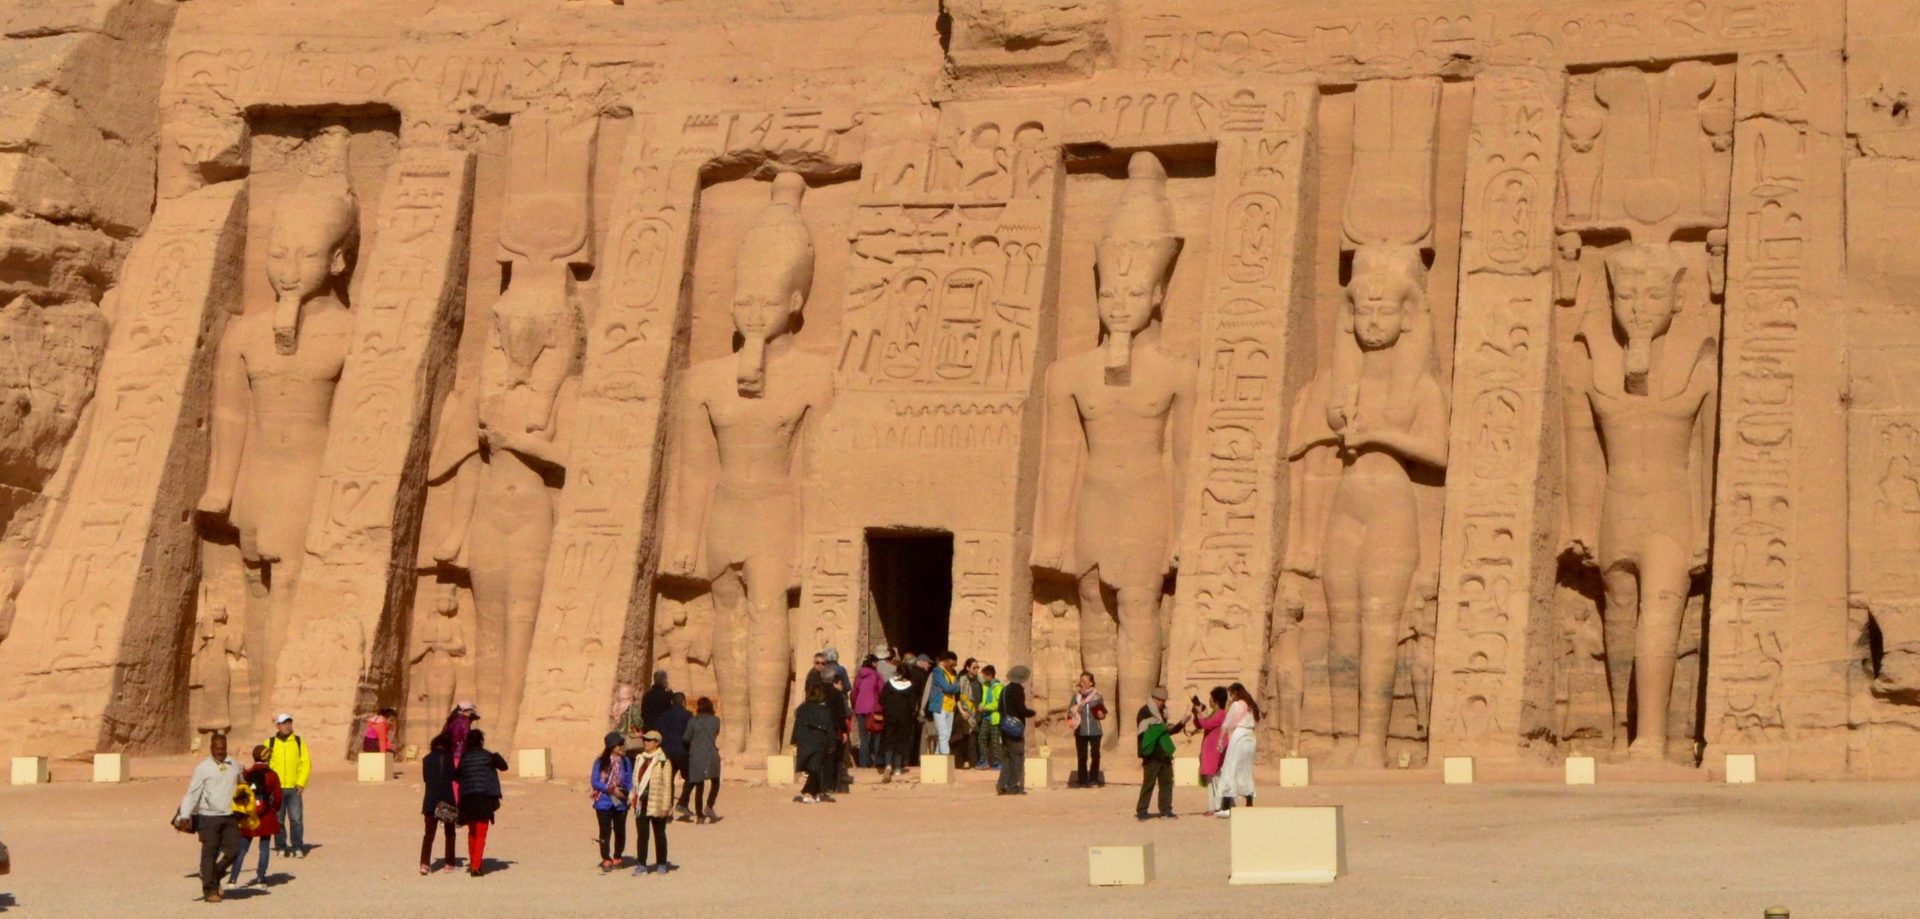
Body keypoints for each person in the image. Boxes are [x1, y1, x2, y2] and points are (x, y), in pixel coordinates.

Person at [174, 732, 243, 902]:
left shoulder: (234, 765)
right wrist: (185, 815)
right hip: (209, 817)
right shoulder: (203, 768)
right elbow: (193, 793)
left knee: (235, 849)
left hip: (230, 815)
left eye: (223, 748)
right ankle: (209, 891)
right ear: (211, 748)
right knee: (209, 853)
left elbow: (242, 784)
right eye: (217, 748)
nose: (220, 751)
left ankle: (214, 875)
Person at [456, 728, 508, 877]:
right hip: (484, 798)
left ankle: (474, 862)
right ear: (481, 741)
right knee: (480, 832)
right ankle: (476, 866)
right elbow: (504, 766)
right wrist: (495, 755)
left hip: (467, 799)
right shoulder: (488, 756)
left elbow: (456, 775)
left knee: (472, 832)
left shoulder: (464, 758)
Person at [229, 744, 282, 887]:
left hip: (249, 815)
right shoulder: (272, 775)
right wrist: (274, 809)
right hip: (266, 815)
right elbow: (278, 797)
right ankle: (261, 879)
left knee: (242, 849)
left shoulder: (246, 774)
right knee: (264, 849)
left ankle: (232, 879)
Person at [1134, 688, 1188, 820]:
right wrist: (1162, 727)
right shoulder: (1144, 712)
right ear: (1153, 699)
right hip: (1151, 753)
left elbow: (1166, 732)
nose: (1162, 703)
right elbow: (1145, 731)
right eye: (1160, 700)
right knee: (1149, 783)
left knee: (1167, 782)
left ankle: (1166, 810)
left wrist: (1181, 724)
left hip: (1164, 752)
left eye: (1163, 701)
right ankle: (1142, 810)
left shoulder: (1163, 712)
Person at [629, 731, 677, 875]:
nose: (646, 742)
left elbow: (668, 785)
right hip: (642, 803)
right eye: (645, 740)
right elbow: (635, 780)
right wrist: (633, 796)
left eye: (650, 740)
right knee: (642, 835)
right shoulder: (640, 759)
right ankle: (641, 863)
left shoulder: (663, 761)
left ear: (657, 742)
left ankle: (661, 862)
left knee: (659, 834)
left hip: (657, 802)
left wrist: (666, 806)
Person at [263, 714, 311, 858]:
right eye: (283, 723)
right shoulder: (270, 742)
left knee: (296, 819)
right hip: (276, 788)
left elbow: (306, 763)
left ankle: (297, 846)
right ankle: (281, 846)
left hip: (293, 788)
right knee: (278, 820)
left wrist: (301, 783)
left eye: (289, 722)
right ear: (277, 726)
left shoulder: (298, 741)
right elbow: (265, 764)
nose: (287, 726)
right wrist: (268, 784)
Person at [1214, 682, 1261, 815]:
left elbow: (1226, 723)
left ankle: (1227, 805)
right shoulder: (1251, 705)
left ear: (1235, 693)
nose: (1230, 698)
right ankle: (1249, 801)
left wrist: (1220, 740)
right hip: (1251, 737)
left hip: (1239, 736)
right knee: (1245, 769)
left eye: (1231, 694)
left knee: (1230, 767)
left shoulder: (1237, 704)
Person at [419, 732, 459, 874]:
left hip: (430, 800)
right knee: (450, 833)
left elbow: (426, 779)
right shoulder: (449, 758)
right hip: (446, 800)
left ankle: (424, 863)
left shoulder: (426, 759)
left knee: (428, 835)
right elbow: (455, 776)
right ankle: (449, 863)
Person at [591, 731, 632, 871]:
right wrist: (610, 789)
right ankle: (606, 858)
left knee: (620, 830)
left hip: (620, 801)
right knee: (605, 831)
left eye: (622, 744)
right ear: (612, 746)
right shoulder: (600, 762)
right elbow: (595, 781)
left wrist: (627, 792)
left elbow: (629, 780)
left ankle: (617, 855)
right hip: (603, 801)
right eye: (620, 744)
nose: (622, 747)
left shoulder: (626, 762)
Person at [791, 682, 835, 803]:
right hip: (818, 741)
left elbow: (797, 726)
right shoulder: (824, 710)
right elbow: (829, 728)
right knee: (815, 768)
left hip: (804, 741)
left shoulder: (802, 709)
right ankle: (808, 793)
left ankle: (816, 792)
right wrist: (832, 744)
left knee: (813, 768)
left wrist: (794, 740)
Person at [681, 697, 723, 823]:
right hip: (711, 754)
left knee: (699, 786)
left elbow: (686, 738)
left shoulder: (693, 721)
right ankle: (709, 806)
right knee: (715, 782)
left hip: (697, 755)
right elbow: (715, 733)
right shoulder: (716, 721)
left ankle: (699, 816)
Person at [1188, 687, 1230, 815]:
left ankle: (1219, 806)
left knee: (1217, 779)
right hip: (1211, 750)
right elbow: (1201, 724)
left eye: (1211, 698)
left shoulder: (1221, 714)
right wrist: (1197, 714)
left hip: (1217, 750)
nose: (1209, 700)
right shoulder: (1214, 713)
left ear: (1216, 700)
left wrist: (1200, 712)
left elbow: (1207, 724)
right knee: (1211, 780)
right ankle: (1213, 807)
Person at [997, 666, 1036, 795]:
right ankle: (1013, 786)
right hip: (1015, 728)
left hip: (1004, 726)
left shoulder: (1004, 690)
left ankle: (1002, 785)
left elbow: (1000, 709)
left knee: (1007, 757)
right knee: (1017, 757)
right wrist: (1032, 713)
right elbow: (1021, 710)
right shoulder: (1017, 690)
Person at [655, 693, 693, 819]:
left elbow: (657, 731)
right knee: (690, 777)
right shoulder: (687, 715)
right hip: (682, 751)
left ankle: (668, 809)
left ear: (672, 702)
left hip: (666, 752)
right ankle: (682, 802)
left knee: (668, 780)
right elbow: (690, 733)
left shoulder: (663, 716)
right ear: (683, 702)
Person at [1068, 672, 1107, 788]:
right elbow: (1069, 713)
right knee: (1082, 755)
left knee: (1095, 754)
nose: (1082, 683)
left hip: (1095, 730)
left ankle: (1094, 779)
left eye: (1085, 681)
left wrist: (1102, 715)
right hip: (1080, 730)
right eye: (1081, 681)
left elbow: (1103, 713)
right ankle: (1083, 780)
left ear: (1091, 683)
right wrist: (1074, 711)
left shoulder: (1097, 696)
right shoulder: (1076, 697)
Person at [880, 670, 917, 782]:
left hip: (890, 717)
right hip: (904, 718)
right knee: (901, 741)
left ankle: (888, 765)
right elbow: (912, 704)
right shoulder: (910, 687)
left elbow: (881, 699)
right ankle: (897, 768)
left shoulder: (889, 684)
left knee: (889, 739)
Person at [926, 652, 961, 756]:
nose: (953, 667)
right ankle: (945, 756)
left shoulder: (954, 673)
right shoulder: (938, 671)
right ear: (946, 660)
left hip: (950, 707)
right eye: (952, 664)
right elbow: (946, 687)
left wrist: (953, 688)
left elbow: (949, 689)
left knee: (947, 734)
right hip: (940, 706)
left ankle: (937, 756)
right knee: (943, 733)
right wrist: (957, 686)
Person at [852, 654, 883, 768]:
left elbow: (854, 693)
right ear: (874, 663)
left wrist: (855, 705)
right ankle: (877, 761)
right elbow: (881, 692)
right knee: (876, 735)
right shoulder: (876, 675)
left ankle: (863, 763)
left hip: (860, 709)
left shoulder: (859, 675)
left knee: (863, 737)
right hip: (872, 709)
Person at [975, 664, 1004, 770]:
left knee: (995, 741)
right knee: (982, 737)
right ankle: (984, 760)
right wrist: (981, 705)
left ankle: (997, 762)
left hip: (994, 718)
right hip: (986, 717)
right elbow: (985, 700)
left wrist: (985, 707)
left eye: (985, 676)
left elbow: (997, 704)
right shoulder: (986, 686)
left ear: (990, 675)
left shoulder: (998, 687)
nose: (983, 678)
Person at [954, 658, 980, 769]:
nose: (976, 670)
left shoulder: (978, 681)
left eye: (977, 667)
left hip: (974, 715)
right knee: (961, 739)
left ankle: (972, 763)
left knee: (972, 740)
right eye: (974, 667)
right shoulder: (962, 680)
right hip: (963, 713)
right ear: (968, 668)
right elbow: (958, 697)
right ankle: (960, 763)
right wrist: (962, 711)